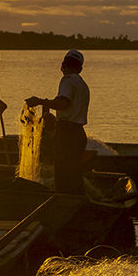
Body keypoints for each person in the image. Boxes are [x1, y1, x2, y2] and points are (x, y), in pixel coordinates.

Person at [25, 49, 89, 195]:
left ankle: (66, 207)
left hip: (67, 135)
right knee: (74, 176)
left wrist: (39, 101)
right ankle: (79, 205)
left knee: (63, 177)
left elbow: (63, 103)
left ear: (62, 65)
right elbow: (69, 107)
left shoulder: (67, 80)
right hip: (79, 134)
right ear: (80, 68)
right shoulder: (83, 85)